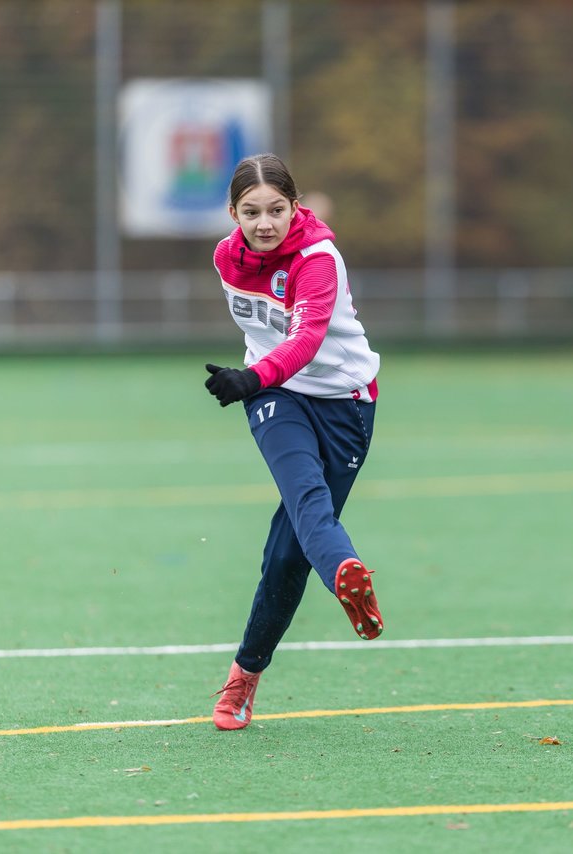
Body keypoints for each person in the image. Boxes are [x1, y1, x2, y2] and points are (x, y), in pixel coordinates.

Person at [204, 153, 384, 730]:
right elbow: (268, 336)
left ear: (295, 207)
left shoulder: (318, 258)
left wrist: (250, 376)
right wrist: (257, 384)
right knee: (309, 501)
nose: (264, 223)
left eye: (276, 210)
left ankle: (244, 675)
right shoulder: (226, 259)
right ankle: (345, 573)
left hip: (346, 406)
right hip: (276, 400)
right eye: (251, 212)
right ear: (233, 212)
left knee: (286, 554)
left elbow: (306, 339)